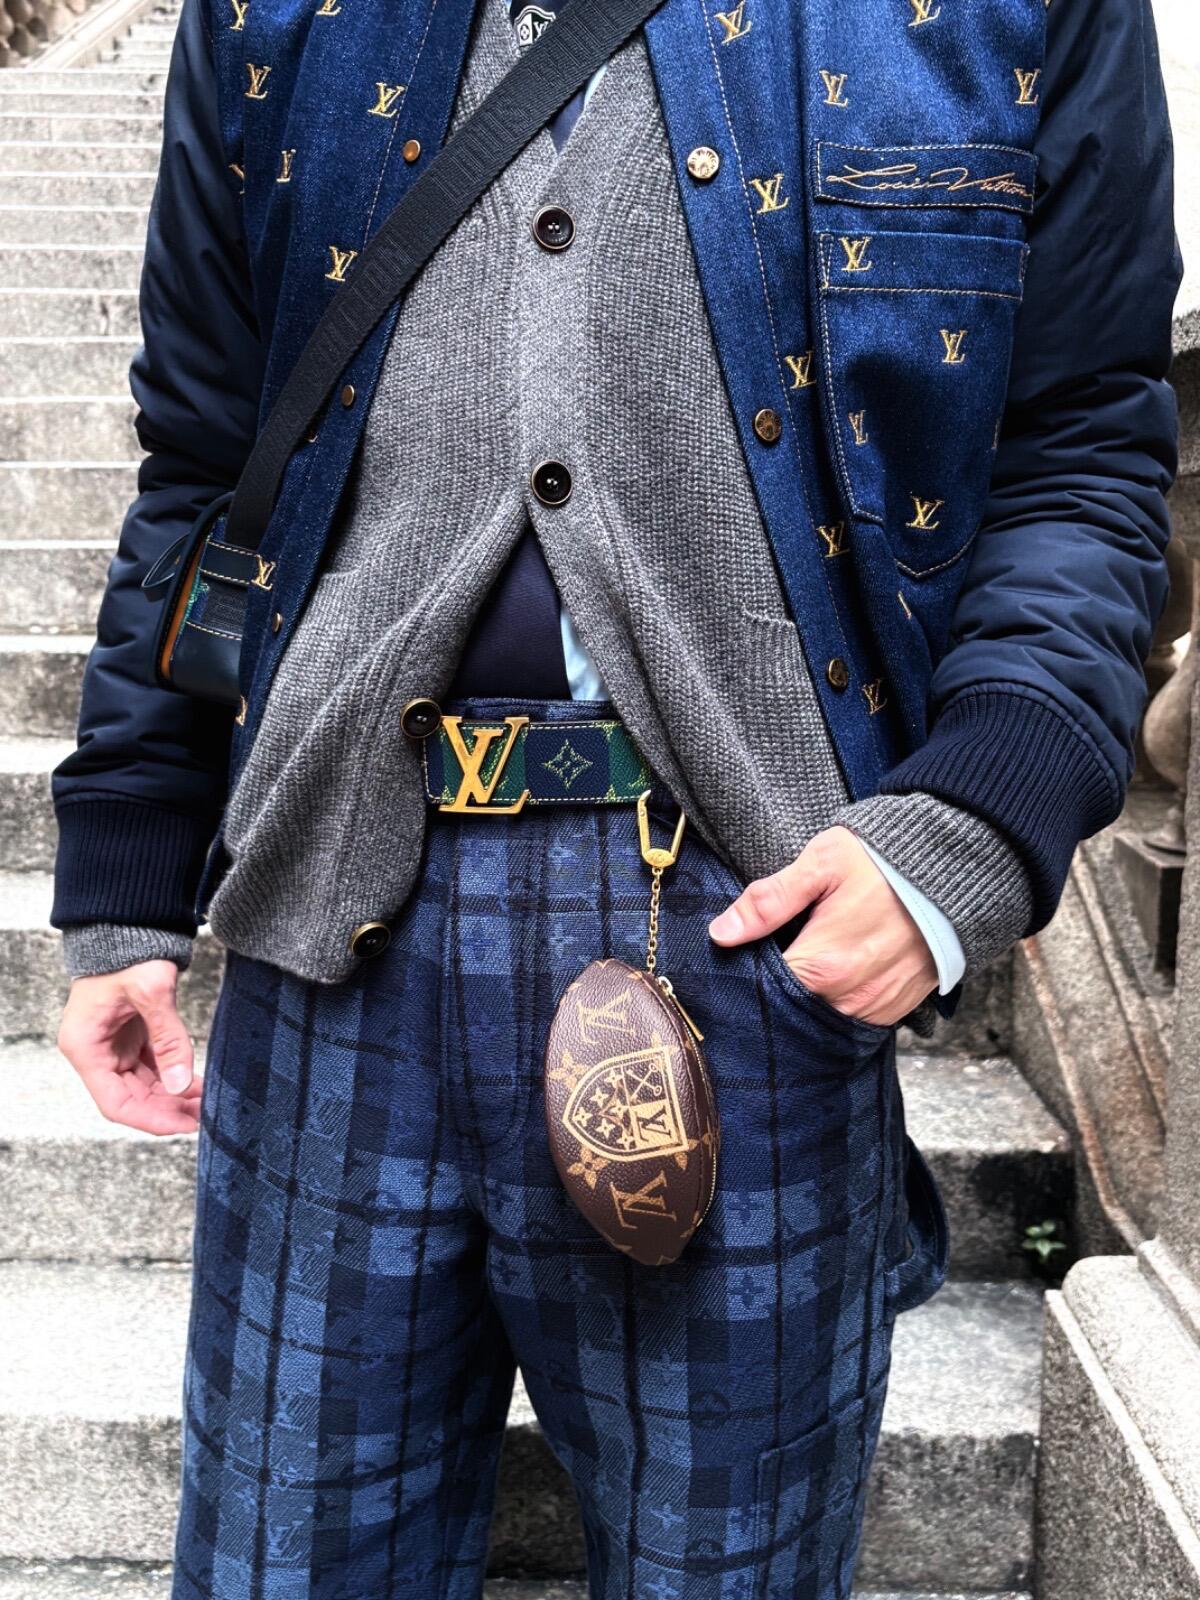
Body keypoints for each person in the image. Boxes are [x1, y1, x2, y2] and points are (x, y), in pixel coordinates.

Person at [51, 0, 1181, 1592]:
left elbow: (1077, 449)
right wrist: (130, 866)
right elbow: (205, 462)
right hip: (330, 932)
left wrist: (977, 821)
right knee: (278, 1564)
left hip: (753, 934)